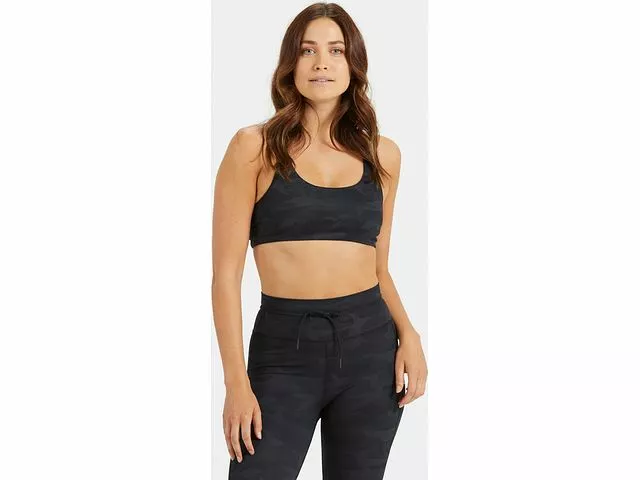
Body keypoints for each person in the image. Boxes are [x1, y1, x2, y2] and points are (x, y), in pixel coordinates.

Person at [211, 3, 428, 479]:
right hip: (283, 352)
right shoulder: (253, 147)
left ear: (354, 64)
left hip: (371, 347)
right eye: (308, 51)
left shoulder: (383, 156)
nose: (322, 63)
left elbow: (380, 267)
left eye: (336, 51)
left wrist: (409, 334)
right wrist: (235, 383)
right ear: (291, 63)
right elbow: (226, 275)